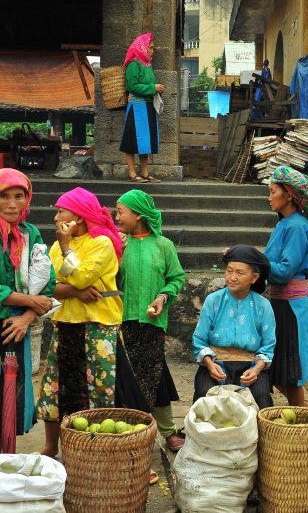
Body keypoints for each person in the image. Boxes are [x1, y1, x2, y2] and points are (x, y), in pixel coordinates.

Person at [36, 187, 124, 457]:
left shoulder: (102, 243)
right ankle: (51, 447)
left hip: (97, 327)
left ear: (81, 217)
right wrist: (75, 291)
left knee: (97, 390)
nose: (56, 218)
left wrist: (66, 252)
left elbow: (82, 276)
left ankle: (96, 450)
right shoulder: (54, 246)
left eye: (61, 211)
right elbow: (47, 286)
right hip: (64, 325)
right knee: (54, 387)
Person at [115, 189, 187, 454]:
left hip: (152, 323)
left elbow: (176, 278)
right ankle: (133, 431)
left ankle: (164, 431)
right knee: (127, 377)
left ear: (138, 215)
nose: (117, 216)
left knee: (153, 376)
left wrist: (162, 297)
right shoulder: (116, 243)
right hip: (120, 322)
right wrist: (114, 250)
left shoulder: (164, 245)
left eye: (121, 211)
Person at [0, 169, 56, 450]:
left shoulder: (30, 233)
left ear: (27, 199)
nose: (12, 203)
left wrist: (27, 317)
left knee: (13, 396)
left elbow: (47, 281)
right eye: (4, 196)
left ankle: (5, 461)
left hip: (16, 330)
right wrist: (31, 302)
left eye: (18, 196)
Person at [192, 245, 275, 409]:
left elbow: (269, 344)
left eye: (240, 272)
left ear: (254, 277)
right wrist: (209, 364)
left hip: (251, 365)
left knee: (261, 396)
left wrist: (257, 369)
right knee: (204, 393)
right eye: (229, 271)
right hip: (217, 362)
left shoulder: (263, 305)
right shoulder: (213, 300)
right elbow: (199, 339)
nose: (232, 277)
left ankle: (259, 435)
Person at [265, 166, 308, 407]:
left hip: (292, 307)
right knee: (278, 367)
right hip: (279, 303)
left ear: (288, 195)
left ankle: (304, 417)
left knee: (291, 372)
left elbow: (285, 270)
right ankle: (303, 413)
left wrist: (255, 264)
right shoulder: (285, 224)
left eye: (272, 191)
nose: (269, 197)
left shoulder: (297, 226)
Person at [120, 32, 164, 183]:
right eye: (150, 48)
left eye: (153, 48)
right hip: (136, 107)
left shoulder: (148, 65)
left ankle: (145, 173)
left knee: (145, 140)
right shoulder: (134, 64)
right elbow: (131, 86)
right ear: (142, 47)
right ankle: (132, 172)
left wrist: (155, 89)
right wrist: (153, 87)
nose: (152, 51)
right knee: (131, 140)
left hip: (147, 106)